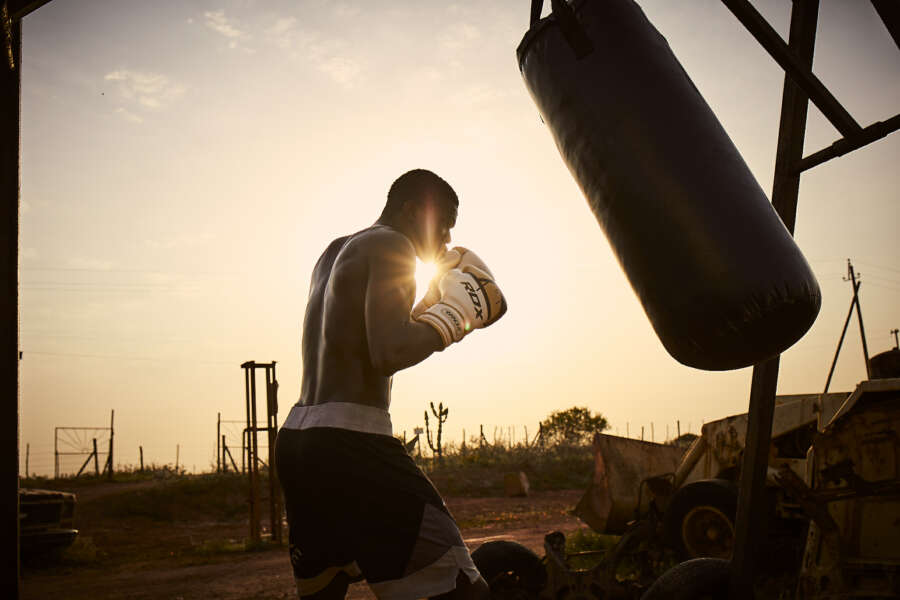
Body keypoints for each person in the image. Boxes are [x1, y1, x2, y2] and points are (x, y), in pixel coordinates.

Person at [276, 169, 507, 600]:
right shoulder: (392, 245)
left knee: (325, 590)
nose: (446, 238)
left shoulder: (336, 250)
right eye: (444, 223)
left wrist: (435, 301)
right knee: (464, 591)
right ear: (412, 210)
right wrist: (457, 316)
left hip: (300, 444)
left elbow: (365, 338)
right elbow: (390, 352)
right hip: (353, 445)